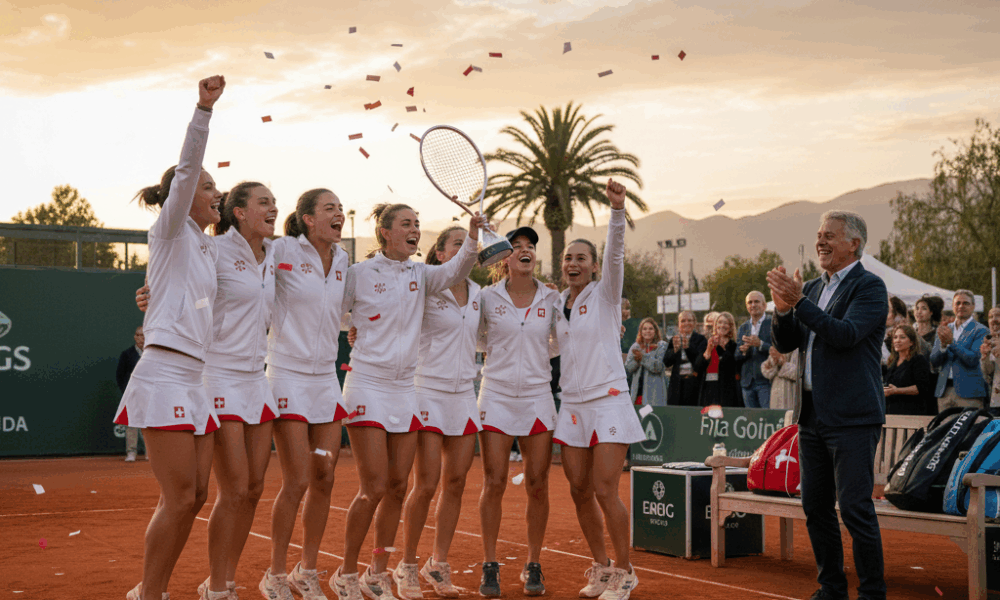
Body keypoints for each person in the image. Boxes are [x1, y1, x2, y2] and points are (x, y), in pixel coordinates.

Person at [134, 181, 282, 600]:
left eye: (275, 201)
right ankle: (216, 586)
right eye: (264, 202)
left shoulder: (278, 254)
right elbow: (170, 279)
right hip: (215, 375)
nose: (274, 208)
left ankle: (222, 581)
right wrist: (148, 296)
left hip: (258, 378)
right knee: (230, 488)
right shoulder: (212, 249)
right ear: (239, 211)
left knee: (253, 488)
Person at [331, 204, 484, 600]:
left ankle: (377, 571)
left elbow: (456, 271)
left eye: (417, 224)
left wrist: (472, 236)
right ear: (384, 233)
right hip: (366, 384)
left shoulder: (423, 274)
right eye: (406, 224)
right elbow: (326, 310)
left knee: (398, 487)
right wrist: (353, 329)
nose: (414, 230)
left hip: (404, 390)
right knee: (374, 487)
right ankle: (346, 572)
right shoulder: (359, 274)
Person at [114, 75, 226, 600]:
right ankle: (149, 594)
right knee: (179, 496)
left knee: (198, 494)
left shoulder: (205, 248)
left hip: (197, 377)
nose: (216, 193)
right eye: (209, 187)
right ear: (182, 197)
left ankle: (150, 591)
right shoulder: (171, 228)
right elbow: (185, 173)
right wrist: (203, 111)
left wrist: (151, 295)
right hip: (164, 372)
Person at [767, 209, 888, 600]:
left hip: (852, 417)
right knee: (815, 507)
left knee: (854, 509)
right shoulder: (816, 290)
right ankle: (831, 588)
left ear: (853, 243)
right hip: (812, 416)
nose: (821, 241)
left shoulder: (870, 287)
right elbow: (787, 344)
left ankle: (872, 593)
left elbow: (845, 335)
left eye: (830, 236)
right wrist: (783, 310)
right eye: (819, 234)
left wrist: (798, 301)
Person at [553, 178, 644, 600]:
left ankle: (625, 571)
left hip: (608, 401)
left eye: (581, 258)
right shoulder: (555, 305)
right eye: (568, 258)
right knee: (578, 489)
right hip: (571, 404)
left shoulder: (606, 293)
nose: (573, 263)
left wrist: (617, 210)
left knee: (606, 488)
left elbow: (618, 253)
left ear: (593, 265)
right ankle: (602, 567)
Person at [263, 189, 351, 600]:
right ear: (308, 219)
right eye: (329, 209)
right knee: (296, 479)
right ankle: (276, 572)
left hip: (325, 382)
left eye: (341, 208)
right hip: (287, 379)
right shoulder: (279, 249)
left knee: (324, 476)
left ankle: (307, 569)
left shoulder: (345, 261)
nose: (339, 214)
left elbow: (347, 307)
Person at [390, 226, 483, 600]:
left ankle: (437, 563)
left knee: (456, 484)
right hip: (426, 390)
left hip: (464, 395)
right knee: (426, 484)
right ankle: (407, 565)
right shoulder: (426, 288)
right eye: (458, 244)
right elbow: (391, 316)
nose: (466, 249)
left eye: (469, 243)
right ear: (441, 255)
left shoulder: (480, 294)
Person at [474, 224, 561, 598]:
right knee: (493, 482)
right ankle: (490, 565)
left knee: (538, 484)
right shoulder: (486, 298)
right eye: (517, 246)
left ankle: (533, 563)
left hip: (539, 396)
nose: (525, 250)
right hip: (495, 395)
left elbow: (563, 341)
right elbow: (472, 337)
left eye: (530, 246)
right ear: (504, 258)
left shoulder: (552, 299)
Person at [930, 290, 989, 411]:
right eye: (958, 303)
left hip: (970, 393)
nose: (961, 306)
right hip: (944, 391)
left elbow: (973, 359)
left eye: (966, 303)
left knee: (969, 429)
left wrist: (951, 343)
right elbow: (933, 361)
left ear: (973, 306)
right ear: (953, 306)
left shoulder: (981, 330)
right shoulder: (945, 329)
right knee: (945, 429)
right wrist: (943, 346)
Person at [883, 324, 935, 415]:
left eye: (902, 337)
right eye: (895, 337)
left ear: (911, 342)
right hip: (891, 412)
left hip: (911, 413)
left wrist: (896, 391)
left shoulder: (918, 360)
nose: (897, 341)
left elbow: (921, 388)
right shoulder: (892, 362)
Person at [695, 311, 742, 408]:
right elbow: (698, 366)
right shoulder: (707, 342)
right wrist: (708, 350)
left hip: (727, 389)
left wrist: (720, 347)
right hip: (708, 387)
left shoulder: (734, 345)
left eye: (726, 323)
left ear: (730, 326)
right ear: (715, 326)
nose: (722, 325)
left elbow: (730, 364)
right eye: (720, 322)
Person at [735, 291, 772, 408]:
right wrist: (744, 351)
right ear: (746, 306)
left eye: (756, 301)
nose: (753, 305)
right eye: (750, 302)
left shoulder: (773, 324)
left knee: (767, 420)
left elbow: (779, 350)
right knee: (751, 421)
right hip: (747, 383)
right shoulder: (743, 327)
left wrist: (760, 344)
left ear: (764, 305)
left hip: (766, 381)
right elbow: (737, 355)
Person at [662, 311, 707, 406]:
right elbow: (666, 362)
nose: (686, 323)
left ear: (694, 323)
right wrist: (674, 350)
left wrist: (688, 348)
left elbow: (700, 362)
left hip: (694, 386)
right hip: (676, 386)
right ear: (679, 324)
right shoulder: (674, 339)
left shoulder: (701, 339)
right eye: (683, 321)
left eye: (689, 320)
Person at [116, 325, 146, 462]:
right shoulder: (127, 354)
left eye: (143, 335)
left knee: (149, 425)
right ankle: (131, 453)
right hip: (132, 396)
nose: (141, 338)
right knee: (131, 424)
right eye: (138, 335)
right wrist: (126, 392)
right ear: (134, 337)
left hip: (150, 396)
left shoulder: (152, 354)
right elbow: (120, 376)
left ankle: (149, 453)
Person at [624, 318, 668, 407]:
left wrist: (643, 357)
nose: (647, 331)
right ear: (640, 331)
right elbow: (628, 367)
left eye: (650, 329)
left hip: (655, 395)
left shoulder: (662, 345)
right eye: (644, 329)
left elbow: (658, 367)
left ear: (655, 331)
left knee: (651, 418)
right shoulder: (635, 346)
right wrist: (638, 360)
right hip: (637, 394)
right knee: (639, 418)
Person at [760, 346, 799, 414]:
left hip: (791, 393)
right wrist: (775, 362)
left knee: (789, 420)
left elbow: (800, 374)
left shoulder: (798, 349)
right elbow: (766, 371)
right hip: (776, 392)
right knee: (777, 419)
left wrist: (783, 364)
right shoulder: (777, 346)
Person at [980, 307, 1000, 408]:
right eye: (990, 317)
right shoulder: (989, 341)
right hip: (995, 401)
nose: (993, 320)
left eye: (998, 316)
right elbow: (988, 373)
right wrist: (985, 357)